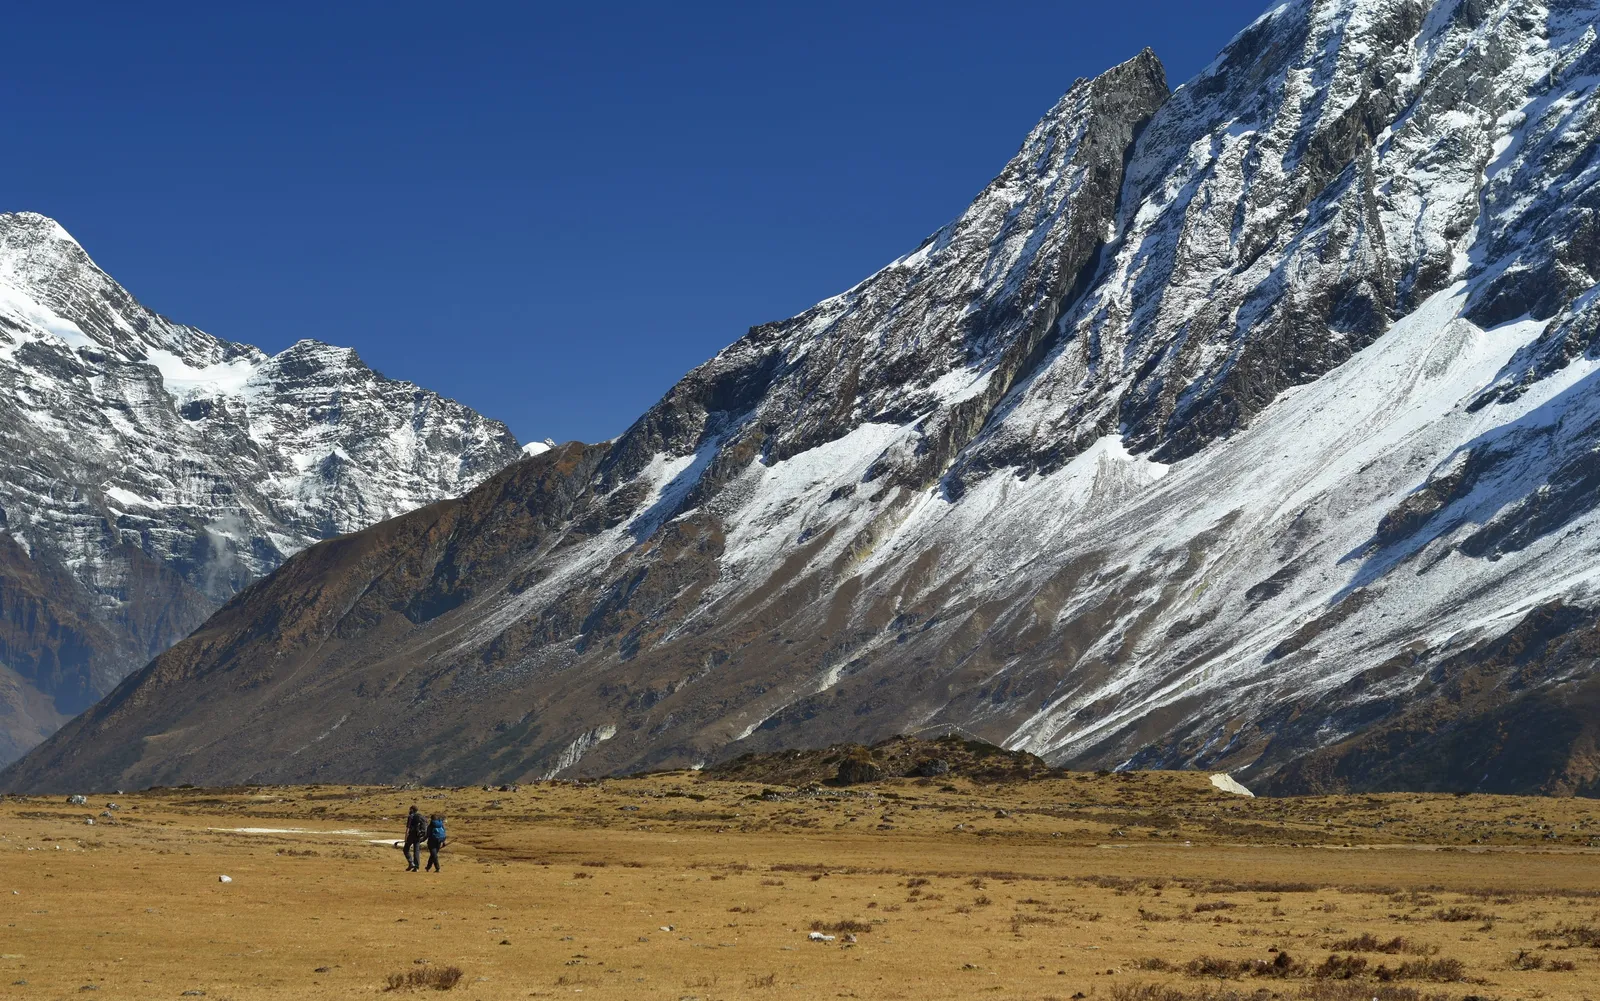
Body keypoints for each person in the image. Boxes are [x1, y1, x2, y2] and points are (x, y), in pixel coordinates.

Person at [403, 805, 427, 872]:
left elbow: (408, 828)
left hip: (411, 835)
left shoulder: (411, 817)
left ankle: (411, 863)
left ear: (412, 810)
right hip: (418, 836)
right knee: (416, 851)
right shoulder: (420, 816)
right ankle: (416, 867)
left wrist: (406, 837)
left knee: (406, 849)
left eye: (410, 809)